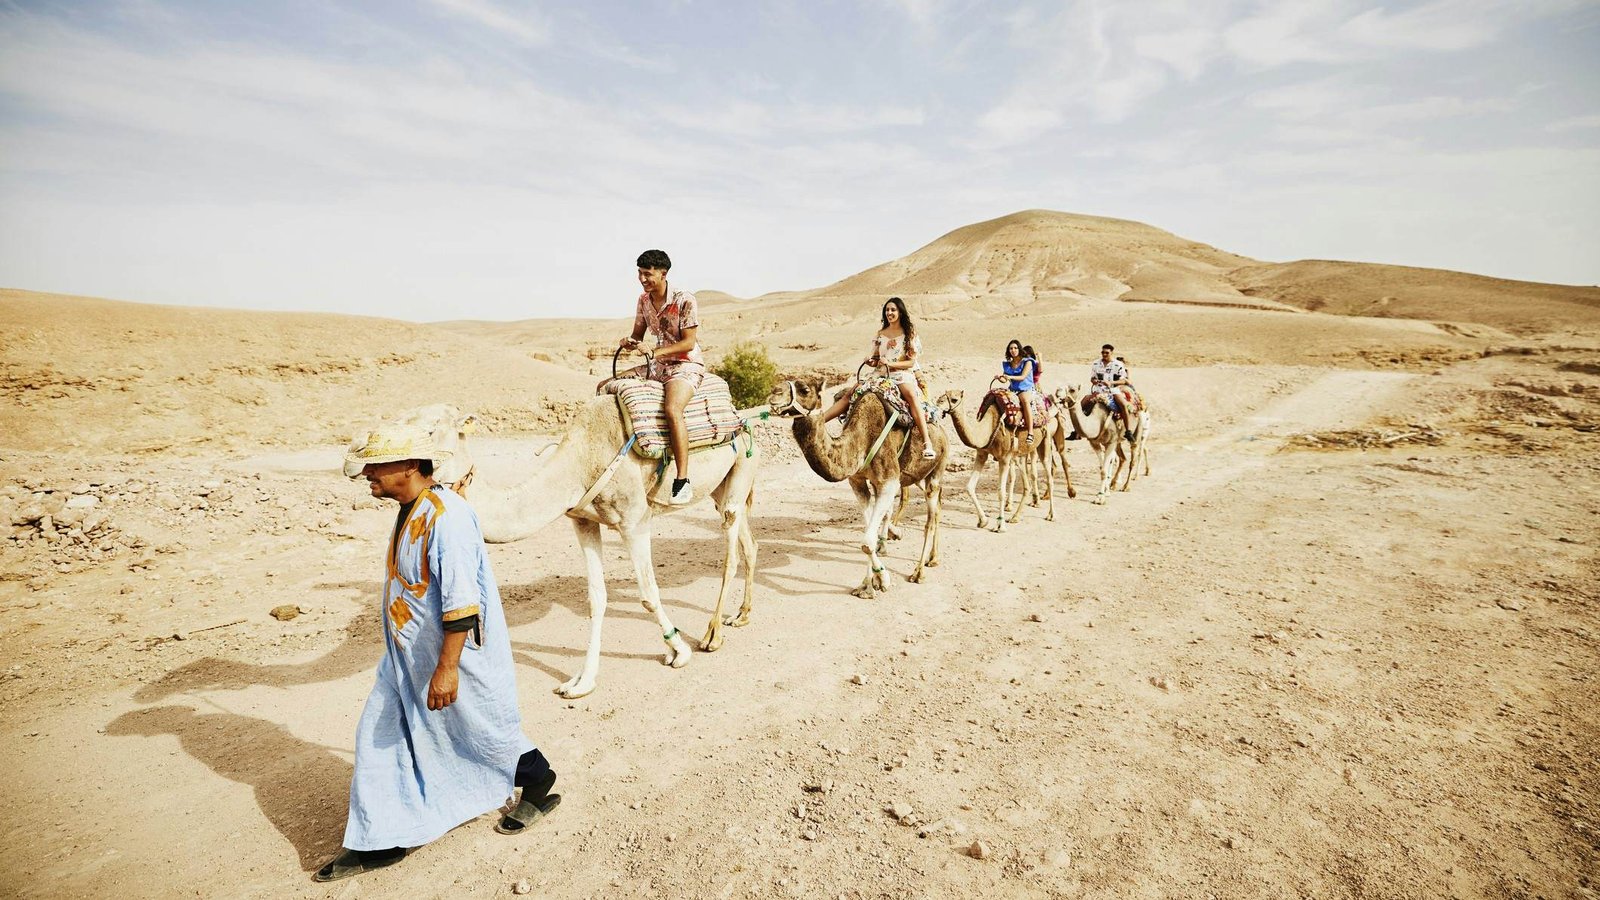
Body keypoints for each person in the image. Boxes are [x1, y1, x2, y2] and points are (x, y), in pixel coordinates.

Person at [316, 424, 558, 883]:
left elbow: (462, 599)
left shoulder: (447, 516)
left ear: (409, 467)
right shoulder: (416, 506)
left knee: (479, 729)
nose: (367, 473)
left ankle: (538, 779)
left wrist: (447, 668)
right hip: (407, 657)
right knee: (382, 731)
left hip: (451, 657)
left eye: (376, 465)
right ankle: (382, 838)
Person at [605, 249, 703, 505]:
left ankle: (682, 481)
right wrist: (630, 342)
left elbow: (689, 343)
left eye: (647, 274)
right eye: (639, 273)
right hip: (657, 364)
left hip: (685, 365)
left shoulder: (685, 300)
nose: (642, 278)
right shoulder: (643, 300)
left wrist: (656, 351)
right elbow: (638, 335)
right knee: (605, 386)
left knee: (672, 409)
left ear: (663, 273)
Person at [820, 296, 937, 460]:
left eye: (893, 310)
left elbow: (911, 362)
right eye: (887, 310)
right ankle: (818, 423)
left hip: (900, 374)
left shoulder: (909, 334)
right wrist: (871, 361)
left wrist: (891, 363)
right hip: (880, 375)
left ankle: (927, 442)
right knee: (851, 393)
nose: (889, 312)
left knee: (911, 395)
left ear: (900, 312)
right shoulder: (880, 334)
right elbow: (876, 359)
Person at [1090, 343, 1136, 442]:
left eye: (1106, 353)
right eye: (1103, 352)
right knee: (1083, 402)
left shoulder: (1118, 365)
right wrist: (1094, 381)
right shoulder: (1096, 363)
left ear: (1111, 353)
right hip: (1099, 390)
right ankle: (1077, 431)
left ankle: (1128, 431)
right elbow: (1092, 378)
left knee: (1123, 405)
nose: (1104, 354)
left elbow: (1124, 380)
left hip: (1113, 390)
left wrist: (1111, 383)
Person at [999, 339, 1037, 443]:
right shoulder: (1008, 364)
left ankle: (1030, 432)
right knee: (998, 400)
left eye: (1015, 348)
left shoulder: (1027, 362)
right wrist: (1000, 378)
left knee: (1025, 401)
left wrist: (1009, 376)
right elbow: (1004, 379)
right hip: (1013, 390)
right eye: (1011, 348)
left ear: (1019, 349)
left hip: (1025, 389)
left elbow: (1023, 377)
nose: (1013, 350)